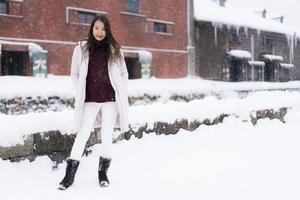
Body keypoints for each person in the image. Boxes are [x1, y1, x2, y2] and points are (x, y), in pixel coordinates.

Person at [58, 15, 129, 190]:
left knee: (106, 137)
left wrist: (120, 89)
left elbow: (124, 73)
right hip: (89, 100)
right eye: (96, 28)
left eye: (103, 29)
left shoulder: (115, 49)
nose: (99, 32)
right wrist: (81, 88)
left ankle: (103, 173)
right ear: (92, 29)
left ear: (107, 31)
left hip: (110, 100)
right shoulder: (81, 48)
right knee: (82, 135)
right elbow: (74, 74)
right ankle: (69, 175)